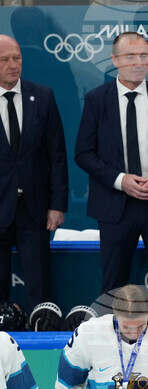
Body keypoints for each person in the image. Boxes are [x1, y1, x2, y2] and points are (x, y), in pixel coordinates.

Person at [74, 32, 148, 296]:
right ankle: (112, 336)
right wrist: (120, 180)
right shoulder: (97, 99)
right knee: (113, 284)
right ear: (115, 60)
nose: (139, 62)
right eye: (130, 56)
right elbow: (83, 153)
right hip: (115, 206)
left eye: (144, 56)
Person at [0, 35, 67, 310]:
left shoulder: (42, 96)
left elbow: (57, 155)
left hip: (35, 208)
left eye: (17, 58)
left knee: (39, 286)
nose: (13, 65)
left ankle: (42, 334)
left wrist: (57, 204)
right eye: (4, 60)